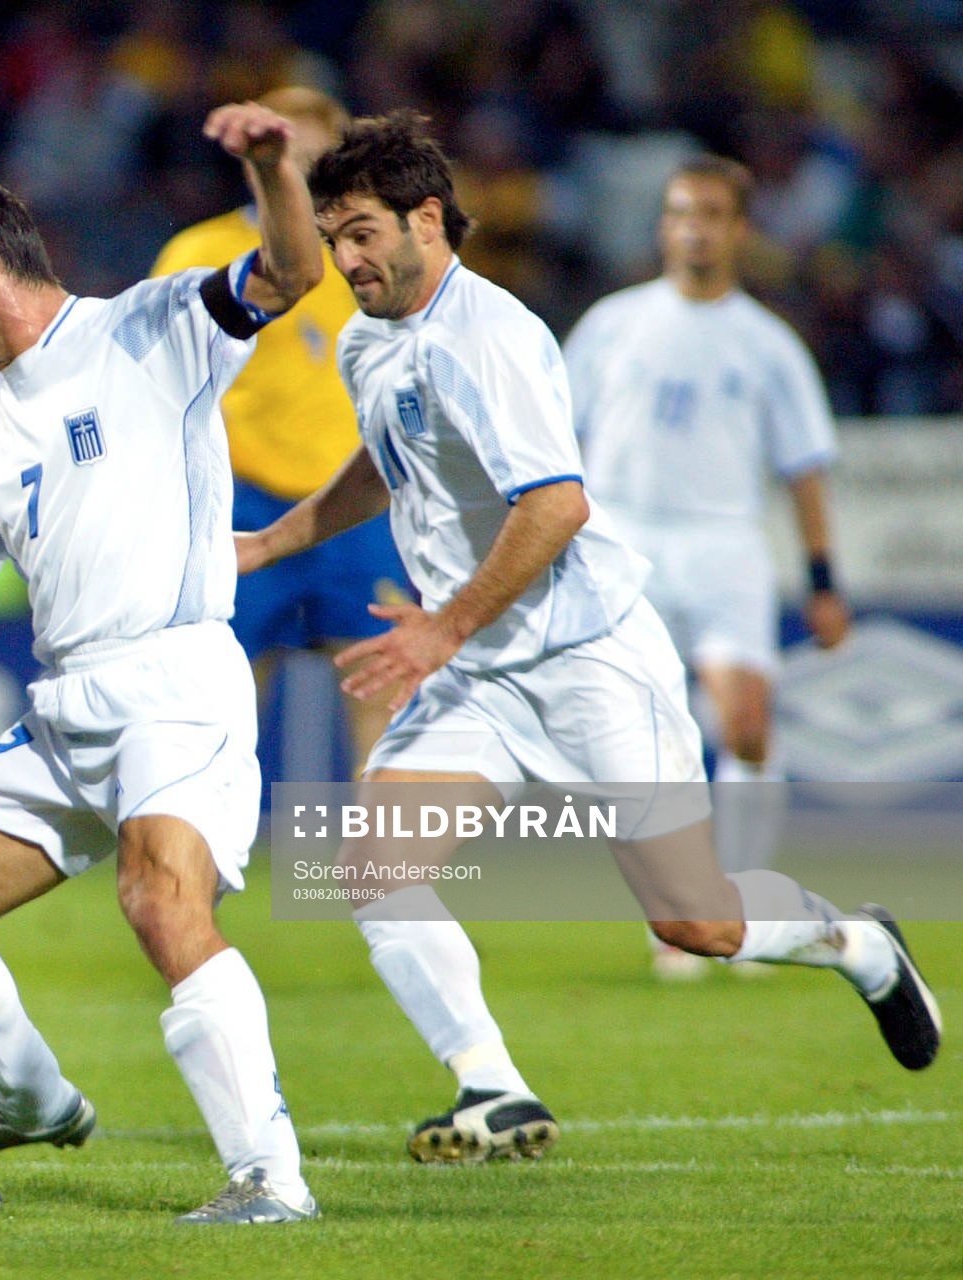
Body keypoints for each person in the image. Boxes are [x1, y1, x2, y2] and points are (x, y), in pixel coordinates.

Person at [235, 111, 942, 1165]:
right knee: (373, 861)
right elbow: (390, 462)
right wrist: (272, 541)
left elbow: (555, 504)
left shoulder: (494, 336)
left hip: (585, 659)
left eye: (362, 233)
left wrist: (444, 624)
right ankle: (493, 1084)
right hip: (478, 673)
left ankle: (858, 942)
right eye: (332, 236)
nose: (343, 259)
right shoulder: (365, 337)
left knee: (692, 923)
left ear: (427, 220)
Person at [0, 101, 326, 1224]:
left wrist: (278, 172)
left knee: (158, 895)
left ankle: (269, 1178)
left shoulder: (149, 327)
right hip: (67, 704)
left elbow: (290, 273)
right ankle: (38, 1099)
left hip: (175, 678)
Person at [563, 154, 851, 979]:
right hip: (624, 540)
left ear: (737, 229)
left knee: (746, 726)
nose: (694, 227)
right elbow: (553, 439)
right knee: (640, 742)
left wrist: (824, 582)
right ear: (663, 225)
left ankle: (744, 900)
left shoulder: (765, 343)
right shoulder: (611, 325)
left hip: (725, 542)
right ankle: (676, 917)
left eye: (711, 214)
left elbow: (804, 467)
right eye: (681, 211)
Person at [151, 86, 410, 773]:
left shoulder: (370, 257)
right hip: (236, 499)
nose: (290, 168)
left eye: (307, 154)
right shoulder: (198, 251)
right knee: (218, 696)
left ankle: (391, 877)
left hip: (356, 502)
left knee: (382, 693)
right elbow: (156, 383)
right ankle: (193, 869)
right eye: (276, 153)